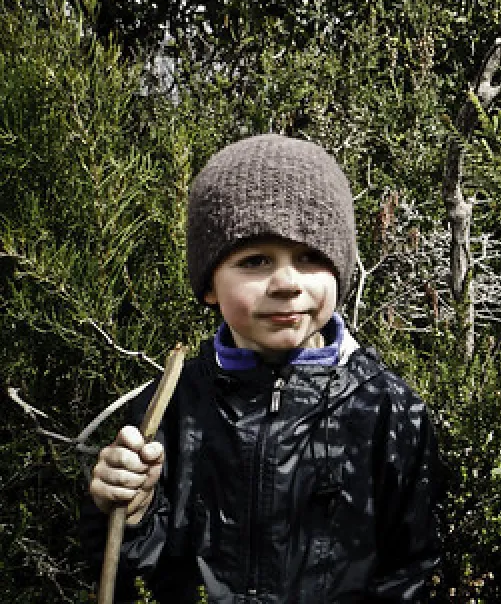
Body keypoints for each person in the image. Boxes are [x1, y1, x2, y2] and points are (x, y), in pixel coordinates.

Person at [83, 134, 441, 603]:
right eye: (255, 260)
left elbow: (411, 571)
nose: (287, 283)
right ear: (209, 283)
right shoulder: (167, 405)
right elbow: (134, 570)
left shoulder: (390, 409)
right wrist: (127, 510)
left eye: (311, 257)